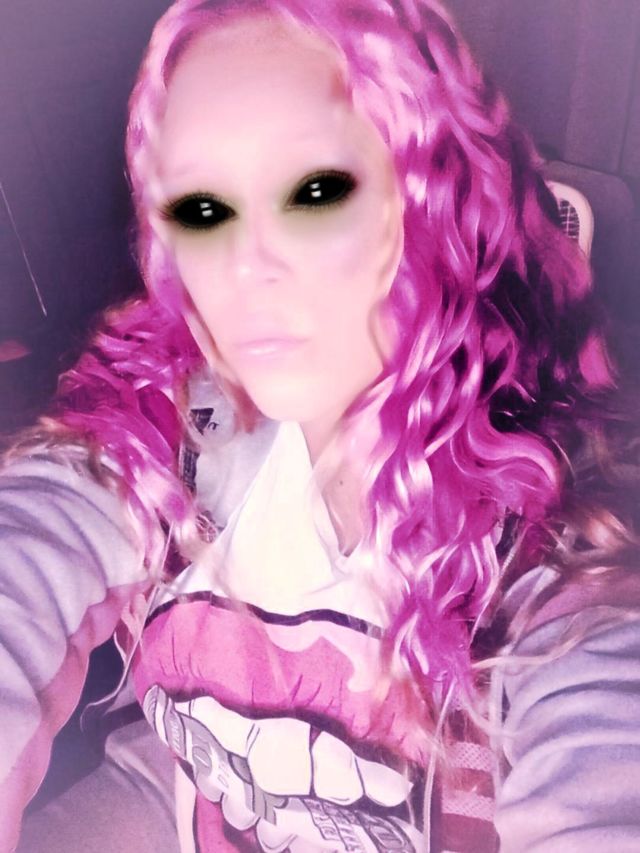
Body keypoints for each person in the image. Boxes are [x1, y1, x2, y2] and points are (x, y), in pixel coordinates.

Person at [2, 0, 639, 850]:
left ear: (429, 202)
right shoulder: (163, 434)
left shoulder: (558, 536)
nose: (246, 264)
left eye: (314, 191)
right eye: (202, 208)